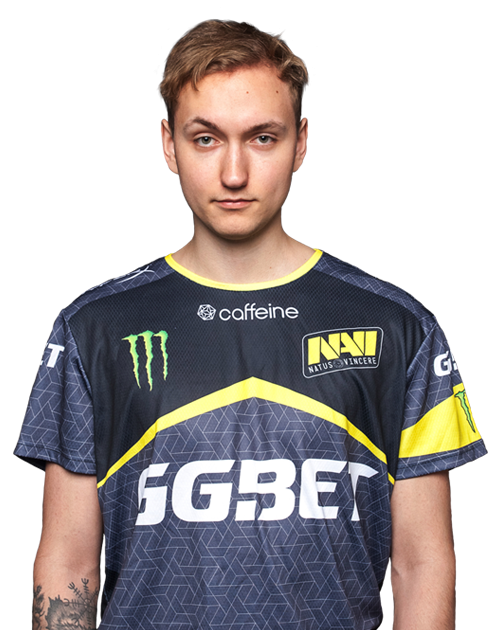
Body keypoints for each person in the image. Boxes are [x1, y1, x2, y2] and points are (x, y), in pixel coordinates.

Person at [18, 19, 486, 630]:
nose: (234, 173)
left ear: (300, 143)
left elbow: (422, 564)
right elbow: (68, 565)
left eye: (262, 138)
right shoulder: (91, 329)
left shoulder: (399, 326)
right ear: (168, 145)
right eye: (205, 139)